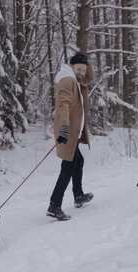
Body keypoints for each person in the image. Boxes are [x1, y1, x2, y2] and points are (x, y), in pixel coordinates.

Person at [47, 53, 94, 221]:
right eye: (79, 69)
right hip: (67, 133)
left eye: (83, 69)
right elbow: (63, 106)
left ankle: (78, 195)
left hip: (72, 134)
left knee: (77, 162)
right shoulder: (68, 80)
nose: (81, 72)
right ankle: (54, 205)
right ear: (71, 66)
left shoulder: (75, 79)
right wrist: (64, 130)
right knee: (67, 168)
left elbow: (88, 79)